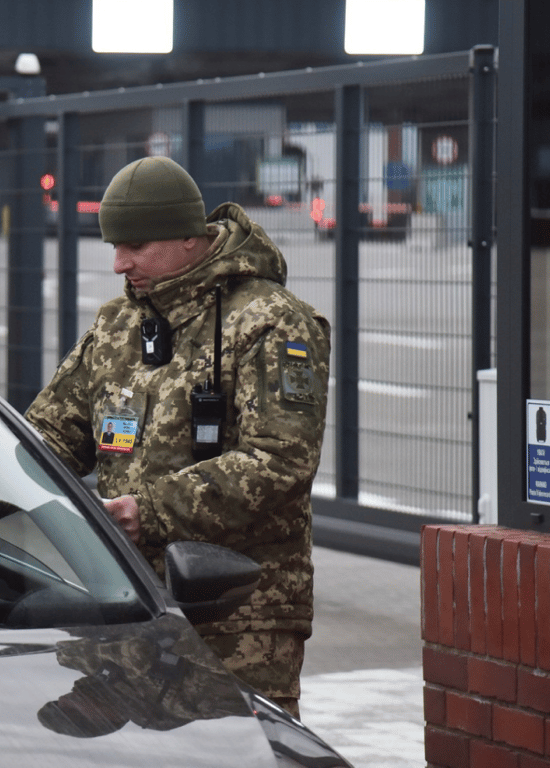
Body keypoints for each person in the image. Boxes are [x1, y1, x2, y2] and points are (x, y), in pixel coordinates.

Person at [25, 155, 330, 718]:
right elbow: (46, 435)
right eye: (114, 246)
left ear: (192, 238)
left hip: (239, 612)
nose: (121, 263)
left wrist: (153, 512)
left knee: (237, 753)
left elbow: (281, 460)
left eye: (137, 246)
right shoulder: (118, 325)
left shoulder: (270, 322)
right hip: (128, 597)